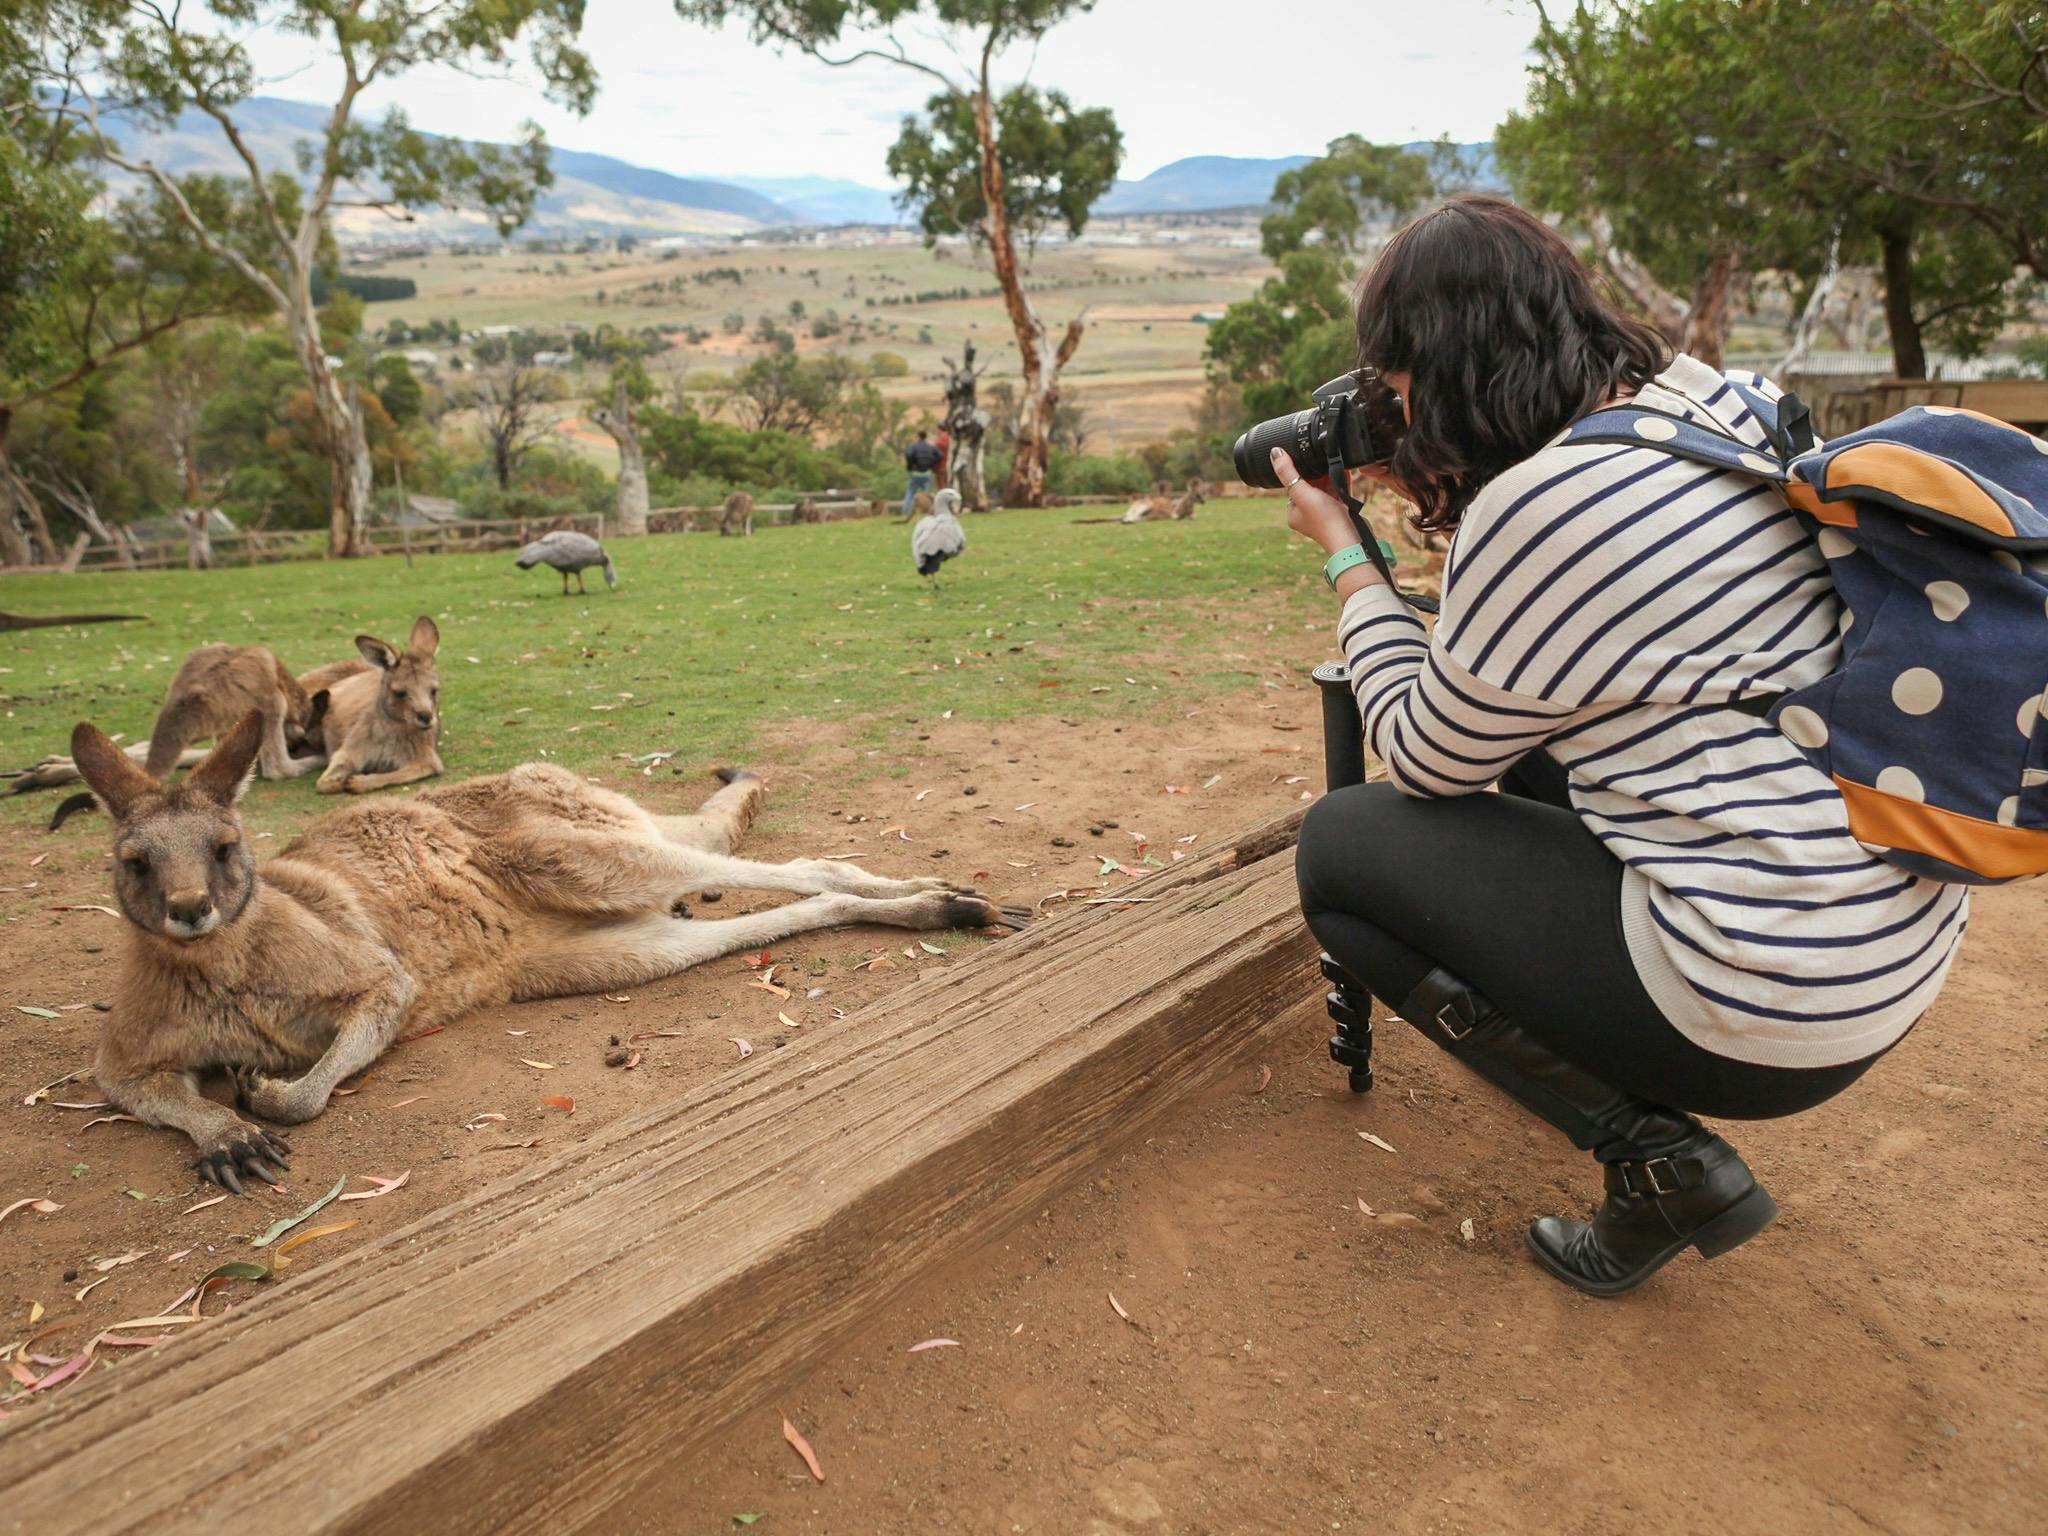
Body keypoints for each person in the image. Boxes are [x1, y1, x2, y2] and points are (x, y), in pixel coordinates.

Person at [1283, 195, 1968, 1297]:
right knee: (1525, 749)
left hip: (1765, 1005)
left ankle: (1653, 1161)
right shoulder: (1718, 405)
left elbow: (1419, 755)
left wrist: (1346, 557)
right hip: (1888, 956)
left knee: (1342, 852)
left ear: (1447, 372)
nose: (1397, 422)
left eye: (1402, 393)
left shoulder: (1539, 507)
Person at [903, 429, 942, 517]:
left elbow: (908, 454)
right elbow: (940, 455)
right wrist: (932, 463)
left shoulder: (914, 446)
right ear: (926, 437)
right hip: (927, 473)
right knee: (925, 493)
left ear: (918, 437)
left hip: (916, 473)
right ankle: (927, 511)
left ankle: (905, 511)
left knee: (910, 492)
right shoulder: (930, 447)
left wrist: (911, 465)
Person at [934, 426, 953, 491]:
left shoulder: (940, 440)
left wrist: (934, 466)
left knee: (941, 485)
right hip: (949, 464)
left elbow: (936, 454)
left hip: (941, 465)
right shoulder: (950, 438)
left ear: (940, 429)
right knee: (947, 483)